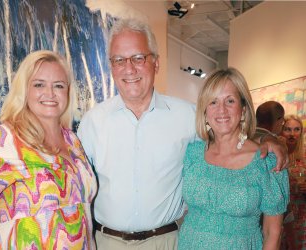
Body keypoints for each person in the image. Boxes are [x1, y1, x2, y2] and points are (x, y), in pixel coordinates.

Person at [77, 18, 288, 250]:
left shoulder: (186, 116)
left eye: (139, 58)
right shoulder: (91, 123)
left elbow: (228, 134)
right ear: (111, 66)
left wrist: (268, 139)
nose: (129, 68)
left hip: (168, 242)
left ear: (156, 63)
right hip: (108, 242)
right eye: (119, 60)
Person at [0, 50, 97, 249]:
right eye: (39, 84)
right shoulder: (3, 141)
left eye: (58, 85)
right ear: (24, 90)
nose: (50, 93)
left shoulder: (72, 141)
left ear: (67, 92)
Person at [178, 68, 289, 250]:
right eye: (213, 102)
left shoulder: (266, 161)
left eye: (230, 101)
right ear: (205, 110)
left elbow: (272, 233)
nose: (221, 110)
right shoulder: (193, 153)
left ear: (243, 109)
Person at [280, 115, 306, 250]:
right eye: (287, 129)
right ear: (281, 131)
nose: (292, 134)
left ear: (301, 132)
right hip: (279, 216)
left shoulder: (305, 155)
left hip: (301, 218)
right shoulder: (276, 154)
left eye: (296, 130)